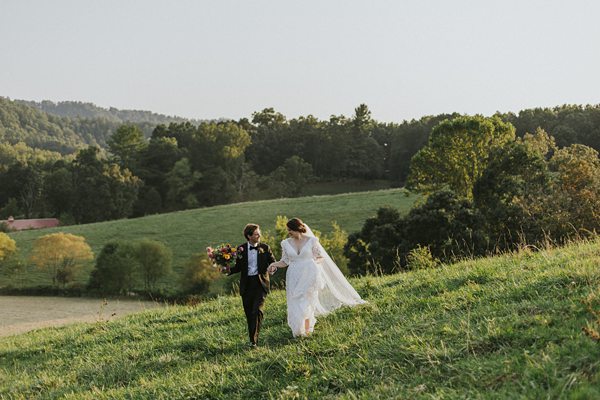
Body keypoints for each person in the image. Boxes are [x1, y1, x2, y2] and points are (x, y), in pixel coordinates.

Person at [268, 218, 365, 337]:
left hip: (309, 273)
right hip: (294, 275)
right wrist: (273, 264)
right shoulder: (285, 243)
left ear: (297, 229)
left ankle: (308, 330)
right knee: (295, 301)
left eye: (290, 230)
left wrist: (314, 263)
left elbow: (320, 257)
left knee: (308, 301)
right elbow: (285, 261)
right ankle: (299, 330)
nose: (289, 232)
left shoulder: (312, 240)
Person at [229, 223, 276, 347]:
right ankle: (252, 338)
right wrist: (227, 270)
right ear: (249, 236)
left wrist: (272, 269)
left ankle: (253, 341)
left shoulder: (265, 248)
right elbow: (238, 267)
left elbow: (273, 263)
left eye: (259, 232)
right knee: (249, 313)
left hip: (261, 284)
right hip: (247, 285)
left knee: (257, 311)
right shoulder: (241, 249)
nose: (259, 235)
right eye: (256, 234)